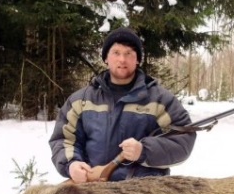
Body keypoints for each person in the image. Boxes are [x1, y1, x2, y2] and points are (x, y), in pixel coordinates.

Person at [49, 27, 196, 183]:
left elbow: (183, 140)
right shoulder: (80, 101)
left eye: (129, 54)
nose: (122, 60)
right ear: (106, 57)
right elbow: (64, 140)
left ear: (138, 59)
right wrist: (72, 164)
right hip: (92, 191)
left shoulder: (160, 100)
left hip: (144, 193)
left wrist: (143, 150)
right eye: (116, 53)